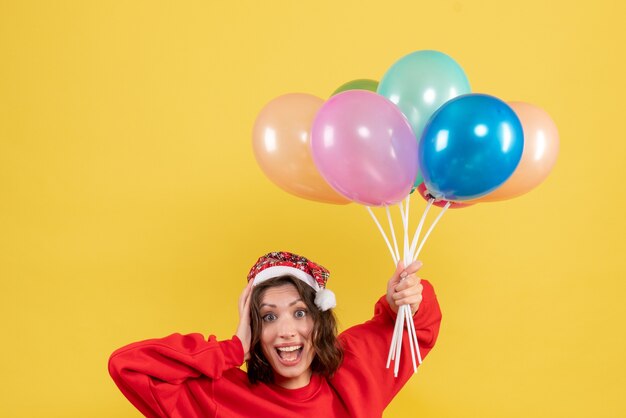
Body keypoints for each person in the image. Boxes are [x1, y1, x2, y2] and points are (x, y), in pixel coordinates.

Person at [109, 251, 442, 417]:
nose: (286, 332)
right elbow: (128, 365)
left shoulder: (354, 371)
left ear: (318, 320)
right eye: (268, 317)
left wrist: (405, 300)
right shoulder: (216, 398)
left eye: (299, 313)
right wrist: (233, 348)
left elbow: (417, 326)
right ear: (255, 328)